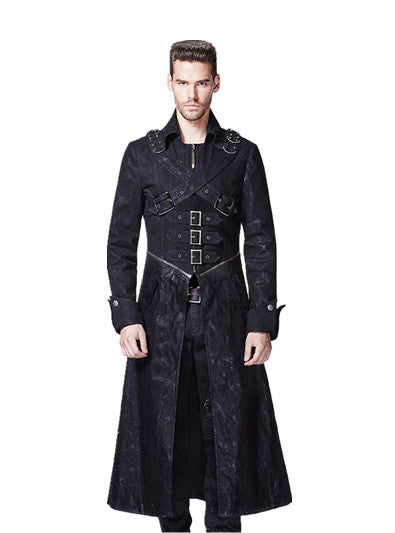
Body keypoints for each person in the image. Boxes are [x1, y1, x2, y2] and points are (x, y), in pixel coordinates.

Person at [106, 40, 292, 532]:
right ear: (169, 83)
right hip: (158, 319)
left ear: (216, 83)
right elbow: (121, 242)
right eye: (183, 82)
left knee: (226, 439)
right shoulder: (140, 155)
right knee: (164, 435)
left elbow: (261, 241)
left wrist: (261, 319)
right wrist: (126, 315)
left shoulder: (243, 155)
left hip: (227, 316)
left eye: (201, 82)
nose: (192, 94)